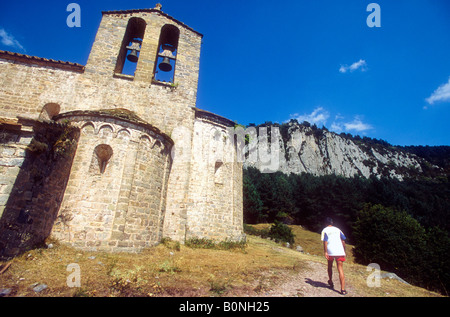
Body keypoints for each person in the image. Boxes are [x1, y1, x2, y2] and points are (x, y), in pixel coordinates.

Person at [321, 217, 347, 295]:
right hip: (339, 251)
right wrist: (344, 251)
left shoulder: (324, 230)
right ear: (332, 223)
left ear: (325, 223)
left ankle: (330, 281)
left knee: (330, 266)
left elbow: (325, 241)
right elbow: (343, 241)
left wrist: (325, 252)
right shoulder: (338, 229)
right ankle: (342, 289)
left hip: (330, 251)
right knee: (340, 269)